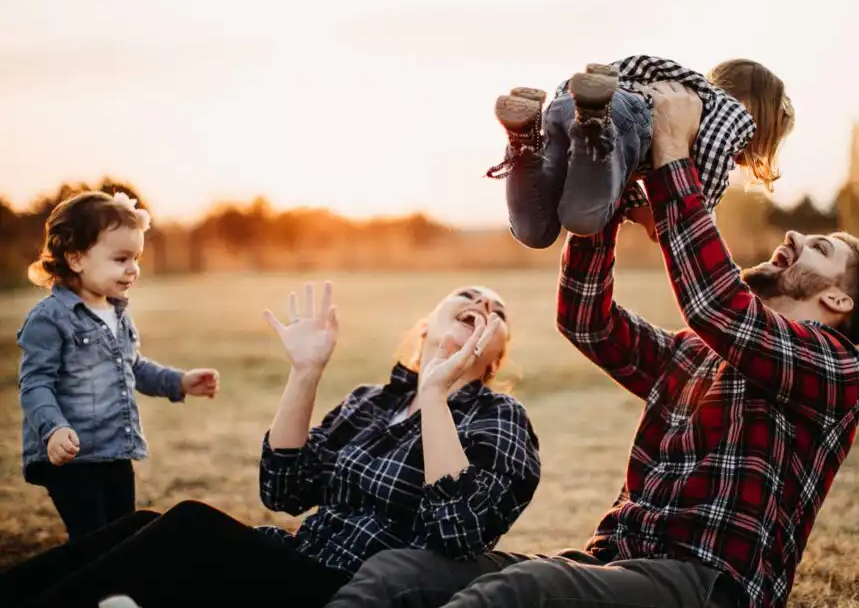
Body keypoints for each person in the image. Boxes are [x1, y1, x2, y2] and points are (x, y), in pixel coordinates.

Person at [325, 81, 859, 608]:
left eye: (821, 249)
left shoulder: (835, 369)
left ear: (838, 300)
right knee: (402, 573)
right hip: (615, 564)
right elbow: (587, 322)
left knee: (520, 593)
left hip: (708, 584)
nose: (794, 236)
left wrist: (672, 152)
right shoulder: (696, 355)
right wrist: (607, 196)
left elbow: (716, 304)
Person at [0, 281, 542, 608]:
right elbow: (284, 488)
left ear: (496, 356)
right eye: (466, 296)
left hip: (354, 589)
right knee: (141, 526)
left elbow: (455, 532)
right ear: (424, 328)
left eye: (496, 311)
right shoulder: (371, 401)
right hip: (295, 558)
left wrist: (437, 396)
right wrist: (304, 372)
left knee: (190, 526)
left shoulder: (501, 419)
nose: (481, 303)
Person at [16, 190, 221, 541]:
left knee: (122, 536)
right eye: (120, 258)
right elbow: (36, 384)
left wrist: (180, 382)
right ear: (76, 259)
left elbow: (133, 366)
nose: (133, 269)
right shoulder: (50, 318)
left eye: (136, 258)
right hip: (70, 455)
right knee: (93, 538)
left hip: (114, 450)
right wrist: (54, 429)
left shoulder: (117, 312)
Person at [486, 55, 794, 248]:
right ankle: (593, 124)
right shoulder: (727, 109)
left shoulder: (670, 79)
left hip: (565, 109)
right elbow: (714, 151)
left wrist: (643, 212)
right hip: (623, 117)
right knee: (582, 220)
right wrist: (698, 217)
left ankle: (523, 140)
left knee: (535, 232)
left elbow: (618, 174)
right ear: (754, 110)